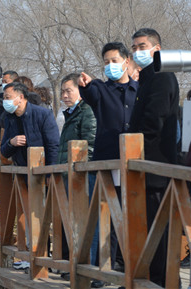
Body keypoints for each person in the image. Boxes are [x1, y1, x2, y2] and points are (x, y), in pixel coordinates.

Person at [78, 42, 138, 286]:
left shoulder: (139, 90)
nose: (110, 66)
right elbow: (90, 93)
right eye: (106, 62)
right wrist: (86, 84)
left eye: (114, 60)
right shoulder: (100, 89)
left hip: (134, 161)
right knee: (106, 217)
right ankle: (105, 269)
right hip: (107, 161)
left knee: (130, 215)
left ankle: (127, 267)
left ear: (126, 61)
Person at [129, 28, 180, 287]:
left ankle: (165, 283)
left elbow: (153, 122)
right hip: (143, 167)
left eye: (143, 46)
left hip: (157, 167)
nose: (138, 52)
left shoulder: (162, 77)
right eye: (135, 47)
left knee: (161, 234)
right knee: (146, 231)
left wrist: (133, 147)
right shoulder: (146, 79)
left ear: (156, 48)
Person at [58, 73, 97, 266]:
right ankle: (74, 264)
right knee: (72, 220)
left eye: (69, 91)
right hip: (69, 172)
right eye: (62, 91)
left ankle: (89, 265)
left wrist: (81, 169)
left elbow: (90, 143)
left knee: (86, 221)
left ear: (80, 91)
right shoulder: (71, 112)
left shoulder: (87, 111)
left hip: (82, 174)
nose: (64, 95)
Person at [0, 82, 59, 166]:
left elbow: (53, 146)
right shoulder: (9, 118)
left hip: (41, 169)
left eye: (8, 97)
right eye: (4, 98)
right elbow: (3, 151)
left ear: (21, 97)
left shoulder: (43, 114)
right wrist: (11, 143)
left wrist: (51, 173)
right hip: (20, 171)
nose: (5, 101)